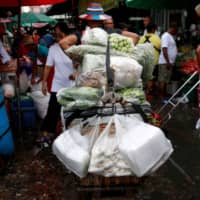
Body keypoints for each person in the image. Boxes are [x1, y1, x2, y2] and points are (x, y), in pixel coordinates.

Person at [36, 22, 77, 145]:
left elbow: (80, 62)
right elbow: (48, 67)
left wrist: (76, 72)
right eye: (55, 32)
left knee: (73, 109)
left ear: (64, 33)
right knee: (53, 110)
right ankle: (47, 133)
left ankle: (72, 133)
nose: (55, 33)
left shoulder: (74, 47)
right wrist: (44, 83)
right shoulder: (53, 48)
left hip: (73, 84)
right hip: (58, 84)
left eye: (57, 31)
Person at [139, 23, 161, 97]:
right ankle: (148, 93)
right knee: (151, 79)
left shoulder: (142, 38)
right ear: (153, 29)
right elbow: (161, 47)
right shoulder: (157, 38)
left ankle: (144, 92)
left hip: (142, 61)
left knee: (144, 78)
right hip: (153, 62)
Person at [158, 23, 178, 99]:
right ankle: (161, 96)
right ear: (172, 28)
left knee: (166, 80)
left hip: (168, 62)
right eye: (175, 30)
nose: (176, 32)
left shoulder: (170, 36)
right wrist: (168, 61)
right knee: (162, 80)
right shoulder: (166, 36)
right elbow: (164, 48)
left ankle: (164, 95)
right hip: (165, 62)